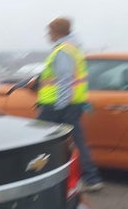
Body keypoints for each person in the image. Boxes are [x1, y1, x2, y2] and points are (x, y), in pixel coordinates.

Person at [36, 17, 104, 192]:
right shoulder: (73, 48)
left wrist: (61, 105)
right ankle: (91, 178)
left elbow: (65, 80)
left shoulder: (63, 51)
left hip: (57, 106)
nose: (47, 35)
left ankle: (40, 178)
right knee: (76, 141)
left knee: (39, 140)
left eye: (49, 32)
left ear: (56, 32)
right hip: (72, 104)